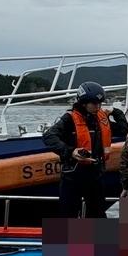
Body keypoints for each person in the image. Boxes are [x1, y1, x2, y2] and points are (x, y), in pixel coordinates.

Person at [43, 81, 113, 217]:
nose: (98, 107)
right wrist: (71, 151)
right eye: (94, 103)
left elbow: (122, 130)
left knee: (98, 213)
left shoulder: (99, 119)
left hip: (95, 174)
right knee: (68, 214)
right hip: (73, 175)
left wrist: (115, 113)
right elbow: (49, 136)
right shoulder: (69, 119)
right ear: (83, 103)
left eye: (100, 103)